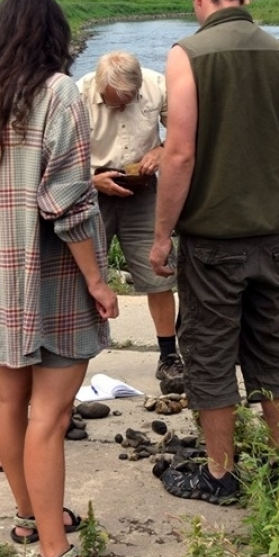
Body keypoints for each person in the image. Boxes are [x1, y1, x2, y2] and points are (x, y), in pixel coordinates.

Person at [0, 0, 125, 557]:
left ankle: (29, 515)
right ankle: (54, 555)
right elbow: (67, 202)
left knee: (10, 403)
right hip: (50, 281)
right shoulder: (59, 93)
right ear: (54, 37)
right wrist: (97, 280)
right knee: (51, 415)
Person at [150, 0, 279, 506]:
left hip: (214, 240)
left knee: (211, 353)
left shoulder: (187, 54)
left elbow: (180, 153)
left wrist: (161, 236)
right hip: (271, 234)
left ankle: (220, 473)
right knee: (272, 347)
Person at [76, 52, 181, 392]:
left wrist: (162, 150)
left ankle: (169, 356)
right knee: (80, 276)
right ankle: (70, 358)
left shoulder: (156, 86)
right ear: (99, 87)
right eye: (113, 102)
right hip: (93, 189)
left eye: (128, 101)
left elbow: (186, 131)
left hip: (142, 188)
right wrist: (92, 180)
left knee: (158, 272)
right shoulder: (78, 94)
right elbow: (60, 154)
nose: (121, 107)